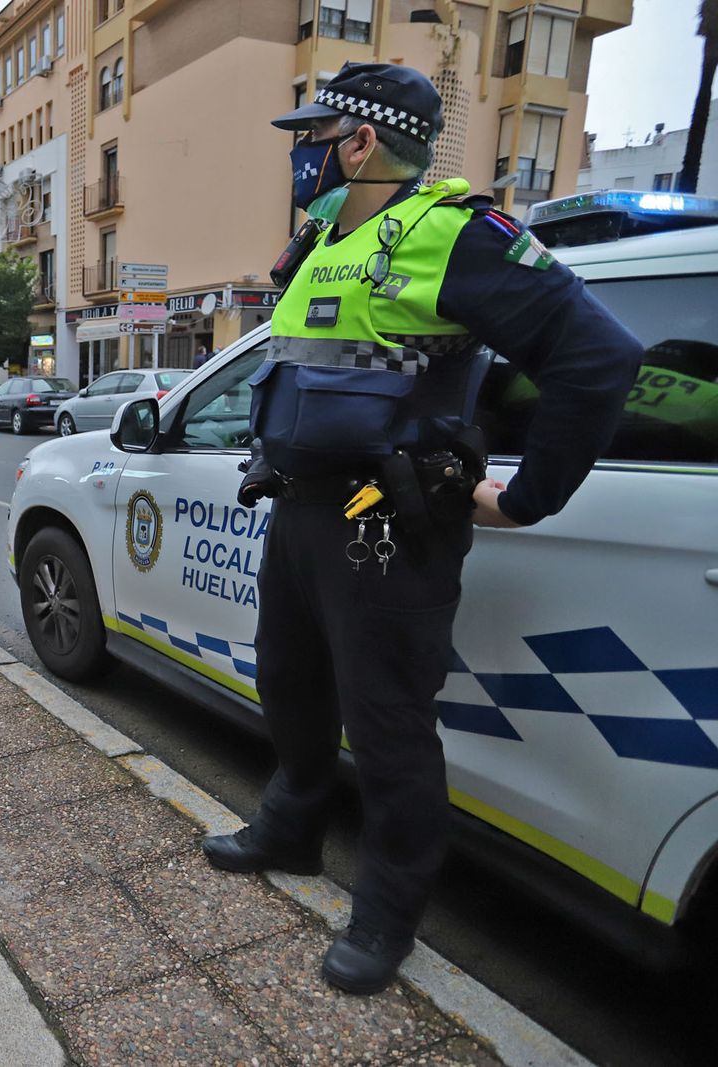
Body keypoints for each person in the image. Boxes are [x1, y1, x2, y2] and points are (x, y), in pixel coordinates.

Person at [206, 62, 642, 995]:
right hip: (300, 511)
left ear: (362, 142)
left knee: (389, 726)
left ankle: (388, 910)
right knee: (289, 685)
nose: (304, 155)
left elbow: (600, 356)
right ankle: (291, 827)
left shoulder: (455, 234)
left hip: (388, 528)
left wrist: (525, 498)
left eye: (316, 137)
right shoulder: (325, 235)